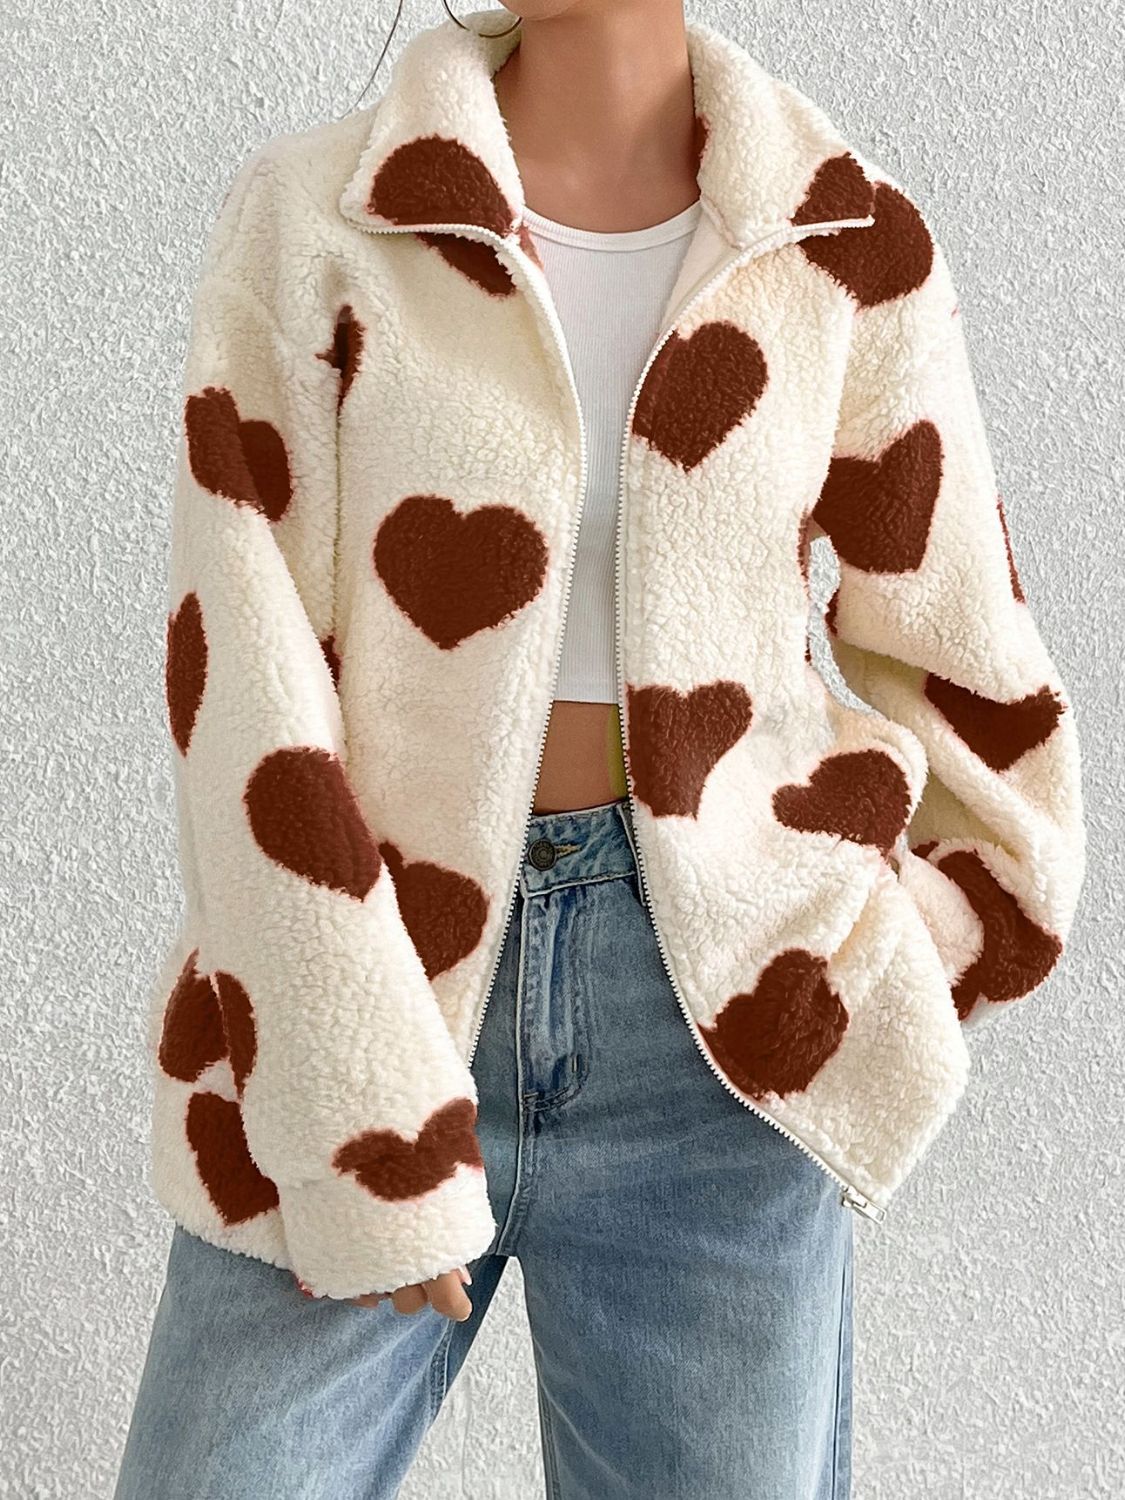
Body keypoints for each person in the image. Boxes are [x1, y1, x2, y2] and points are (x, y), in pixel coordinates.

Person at [113, 1, 1087, 1495]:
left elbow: (965, 657)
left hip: (716, 1051)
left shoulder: (837, 235)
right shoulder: (321, 217)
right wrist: (352, 1099)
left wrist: (880, 976)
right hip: (368, 996)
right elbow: (241, 685)